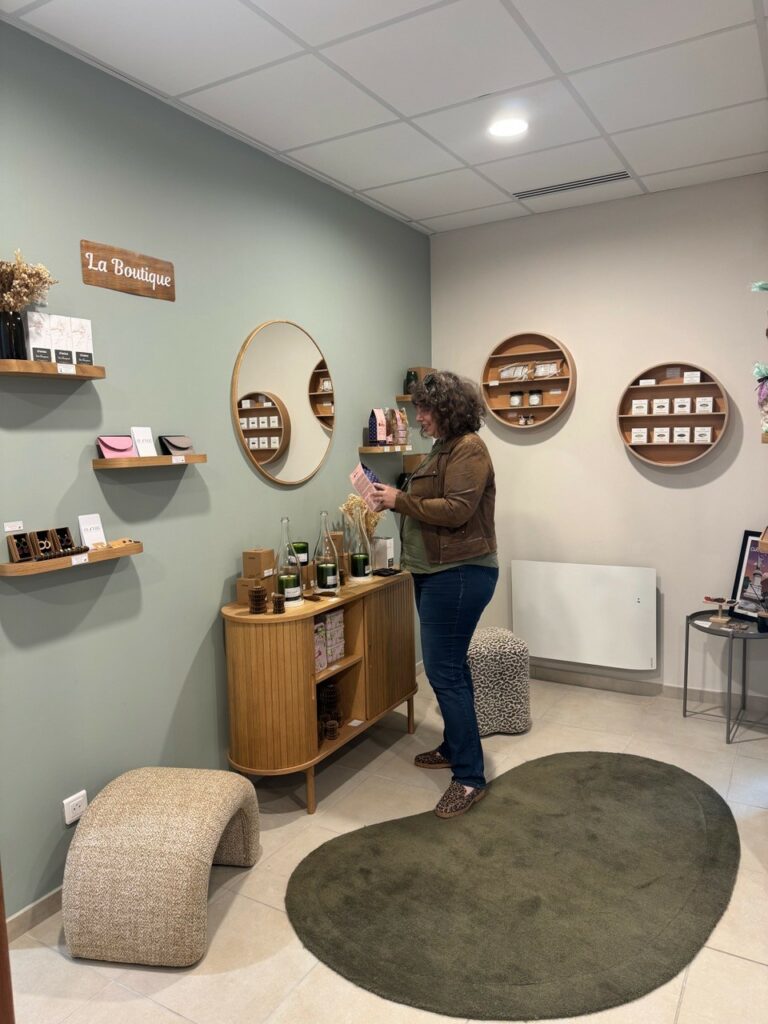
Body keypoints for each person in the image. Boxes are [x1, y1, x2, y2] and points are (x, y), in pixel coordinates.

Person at [371, 371, 498, 819]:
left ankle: (469, 778)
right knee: (452, 668)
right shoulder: (442, 448)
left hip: (458, 574)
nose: (419, 417)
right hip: (434, 573)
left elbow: (457, 510)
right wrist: (391, 499)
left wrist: (399, 500)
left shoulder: (469, 448)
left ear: (447, 409)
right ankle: (454, 747)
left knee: (443, 672)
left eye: (425, 409)